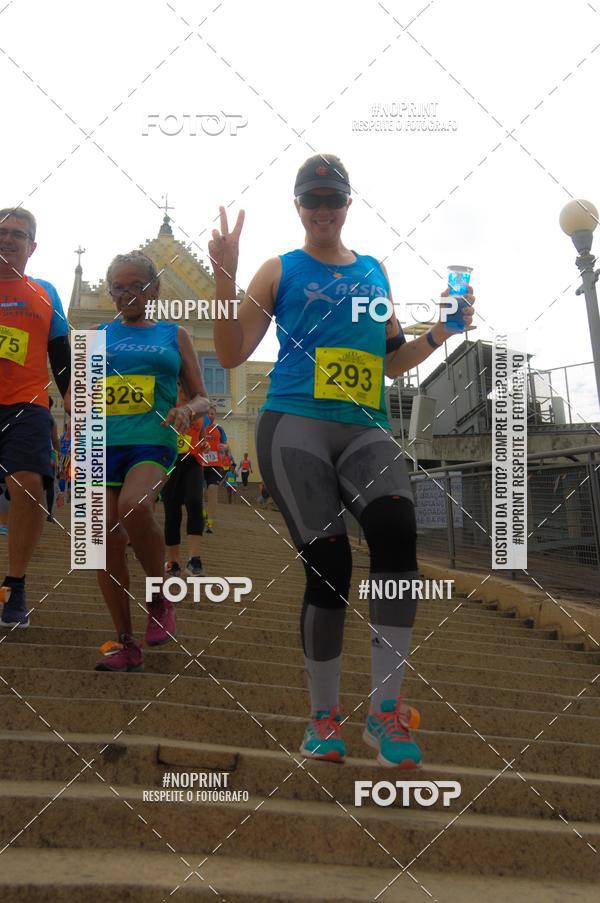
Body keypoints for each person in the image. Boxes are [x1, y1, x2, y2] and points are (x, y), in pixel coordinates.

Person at [211, 154, 475, 768]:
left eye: (333, 199)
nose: (323, 210)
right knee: (329, 562)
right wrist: (225, 278)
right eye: (312, 200)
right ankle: (321, 719)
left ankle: (385, 715)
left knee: (396, 534)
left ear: (348, 204)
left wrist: (443, 333)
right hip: (295, 424)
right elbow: (228, 352)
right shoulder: (278, 269)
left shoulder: (375, 272)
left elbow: (389, 361)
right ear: (297, 207)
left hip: (365, 428)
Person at [94, 251, 209, 672]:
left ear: (154, 289)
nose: (128, 294)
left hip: (152, 442)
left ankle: (160, 594)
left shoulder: (173, 334)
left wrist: (188, 410)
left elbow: (202, 395)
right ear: (110, 292)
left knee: (135, 507)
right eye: (119, 287)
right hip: (102, 445)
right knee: (102, 545)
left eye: (136, 285)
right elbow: (81, 396)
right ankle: (125, 642)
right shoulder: (96, 336)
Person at [0, 207, 71, 627]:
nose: (8, 240)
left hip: (26, 405)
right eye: (3, 232)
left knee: (27, 484)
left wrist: (79, 410)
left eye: (18, 234)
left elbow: (61, 357)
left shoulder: (45, 292)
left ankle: (15, 585)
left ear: (33, 246)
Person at [162, 390, 206, 578]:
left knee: (195, 502)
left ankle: (194, 560)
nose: (182, 387)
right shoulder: (165, 404)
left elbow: (201, 434)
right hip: (170, 462)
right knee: (172, 512)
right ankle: (173, 562)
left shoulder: (197, 409)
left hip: (192, 462)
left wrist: (203, 444)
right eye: (179, 384)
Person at [201, 404, 228, 533]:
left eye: (212, 414)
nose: (210, 416)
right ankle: (201, 515)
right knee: (198, 492)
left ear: (215, 416)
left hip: (215, 464)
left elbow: (226, 444)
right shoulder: (199, 427)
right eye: (208, 413)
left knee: (212, 490)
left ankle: (210, 522)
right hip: (200, 463)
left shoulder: (219, 429)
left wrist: (223, 446)